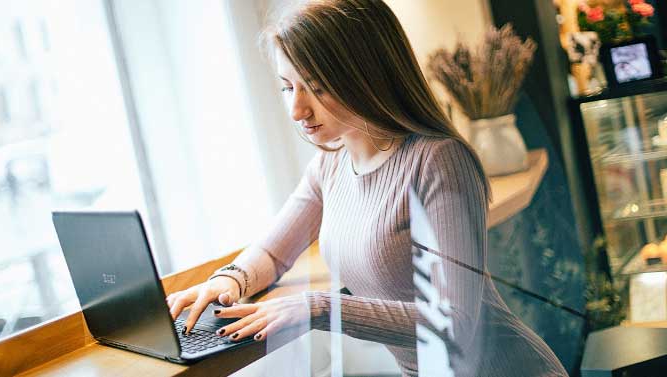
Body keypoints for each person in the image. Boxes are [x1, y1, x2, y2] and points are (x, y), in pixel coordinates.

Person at [166, 0, 568, 376]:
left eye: (317, 86)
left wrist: (319, 307)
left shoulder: (439, 160)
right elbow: (272, 252)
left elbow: (455, 322)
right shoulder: (331, 165)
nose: (297, 110)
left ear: (366, 74)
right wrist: (229, 280)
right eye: (288, 87)